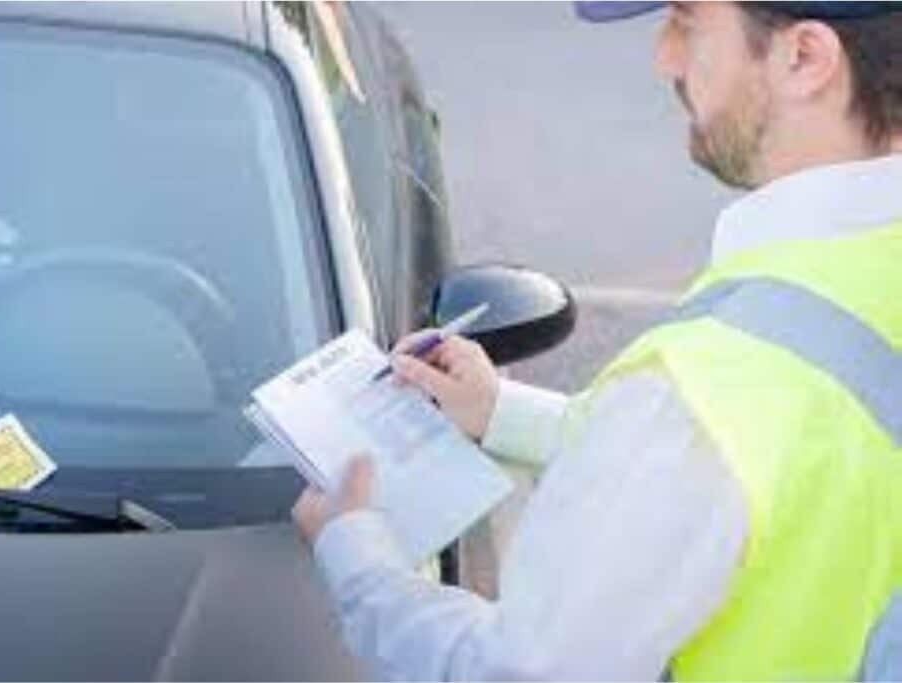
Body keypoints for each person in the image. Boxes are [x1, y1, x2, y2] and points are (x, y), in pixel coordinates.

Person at [292, 2, 902, 679]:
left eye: (688, 22)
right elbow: (796, 461)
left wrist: (360, 563)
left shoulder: (702, 396)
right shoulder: (834, 308)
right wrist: (502, 413)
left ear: (805, 58)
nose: (663, 57)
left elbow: (521, 671)